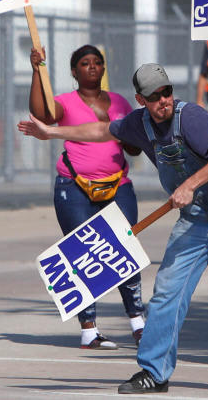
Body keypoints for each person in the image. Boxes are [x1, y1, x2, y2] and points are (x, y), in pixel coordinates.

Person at [18, 63, 208, 397]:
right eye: (154, 96)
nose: (163, 100)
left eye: (166, 92)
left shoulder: (189, 116)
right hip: (194, 218)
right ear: (140, 99)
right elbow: (104, 130)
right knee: (166, 293)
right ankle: (153, 372)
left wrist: (191, 183)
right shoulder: (137, 123)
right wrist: (52, 132)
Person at [28, 44, 144, 350]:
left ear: (103, 69)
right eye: (84, 63)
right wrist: (37, 71)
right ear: (74, 71)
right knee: (81, 254)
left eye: (96, 63)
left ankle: (139, 325)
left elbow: (132, 146)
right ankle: (89, 330)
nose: (91, 67)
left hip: (118, 186)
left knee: (123, 251)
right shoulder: (65, 102)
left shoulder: (119, 102)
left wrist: (131, 134)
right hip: (74, 188)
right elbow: (43, 115)